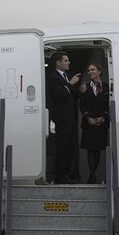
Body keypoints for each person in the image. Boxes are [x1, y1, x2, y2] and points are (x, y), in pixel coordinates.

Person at [46, 51, 81, 183]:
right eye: (66, 60)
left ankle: (67, 174)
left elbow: (72, 93)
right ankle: (60, 176)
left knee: (70, 147)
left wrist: (81, 91)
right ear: (58, 63)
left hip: (71, 117)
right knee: (62, 147)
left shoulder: (66, 76)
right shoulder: (53, 77)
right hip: (61, 118)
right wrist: (71, 83)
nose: (68, 63)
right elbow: (58, 95)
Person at [79, 62, 109, 183]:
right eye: (89, 70)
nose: (90, 72)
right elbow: (82, 106)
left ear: (99, 71)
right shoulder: (85, 87)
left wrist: (103, 117)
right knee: (90, 150)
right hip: (89, 123)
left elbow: (109, 105)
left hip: (101, 123)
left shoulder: (107, 87)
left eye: (93, 70)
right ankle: (92, 175)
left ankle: (93, 174)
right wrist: (88, 118)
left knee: (97, 150)